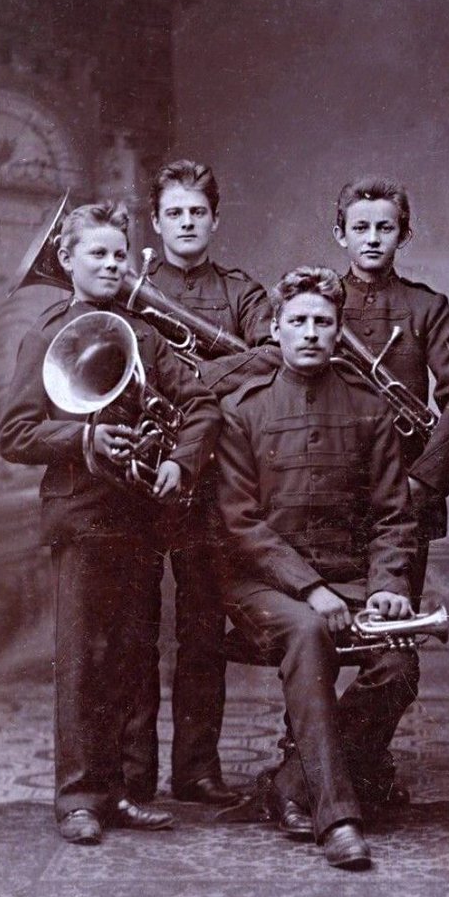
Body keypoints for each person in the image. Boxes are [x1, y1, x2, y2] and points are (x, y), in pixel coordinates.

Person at [0, 201, 222, 844]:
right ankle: (79, 800)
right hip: (82, 517)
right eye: (96, 253)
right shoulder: (45, 335)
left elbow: (201, 402)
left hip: (141, 517)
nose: (111, 264)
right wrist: (82, 438)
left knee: (133, 656)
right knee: (83, 662)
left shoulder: (143, 334)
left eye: (119, 254)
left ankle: (124, 792)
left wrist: (179, 461)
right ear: (66, 260)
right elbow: (14, 434)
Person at [214, 267, 420, 870]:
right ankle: (338, 819)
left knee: (399, 664)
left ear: (337, 330)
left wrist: (386, 587)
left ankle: (291, 784)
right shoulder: (241, 409)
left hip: (351, 581)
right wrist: (310, 588)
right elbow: (241, 523)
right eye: (298, 321)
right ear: (275, 329)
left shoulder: (369, 407)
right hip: (263, 586)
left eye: (323, 322)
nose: (310, 333)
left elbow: (393, 515)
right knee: (308, 633)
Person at [133, 159, 273, 807]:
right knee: (134, 631)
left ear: (215, 220)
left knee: (200, 629)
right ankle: (133, 772)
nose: (186, 223)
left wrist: (191, 382)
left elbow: (270, 358)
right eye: (174, 213)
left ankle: (196, 769)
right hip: (140, 475)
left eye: (197, 212)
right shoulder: (130, 286)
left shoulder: (243, 293)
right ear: (155, 222)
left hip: (212, 478)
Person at [331, 176, 449, 803]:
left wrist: (424, 481)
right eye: (359, 227)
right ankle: (308, 755)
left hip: (402, 502)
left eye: (384, 227)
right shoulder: (320, 300)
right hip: (324, 498)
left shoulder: (426, 307)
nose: (372, 239)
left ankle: (363, 764)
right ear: (339, 234)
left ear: (404, 235)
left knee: (390, 642)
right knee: (320, 637)